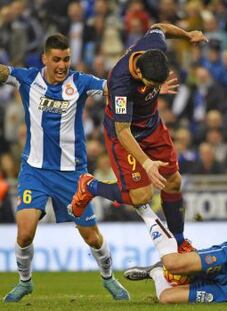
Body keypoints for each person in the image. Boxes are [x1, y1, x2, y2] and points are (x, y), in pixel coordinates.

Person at [1, 34, 129, 303]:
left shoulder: (80, 82)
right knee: (24, 233)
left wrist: (144, 87)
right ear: (45, 58)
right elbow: (3, 72)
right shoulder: (27, 79)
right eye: (56, 59)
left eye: (67, 59)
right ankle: (25, 282)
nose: (62, 65)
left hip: (72, 174)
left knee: (92, 238)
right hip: (34, 170)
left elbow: (112, 88)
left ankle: (108, 278)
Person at [68, 23, 208, 252]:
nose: (155, 88)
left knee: (174, 181)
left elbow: (160, 26)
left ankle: (180, 242)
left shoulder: (154, 45)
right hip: (125, 134)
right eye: (152, 85)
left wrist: (187, 35)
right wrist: (146, 163)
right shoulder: (120, 85)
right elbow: (123, 130)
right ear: (139, 73)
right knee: (141, 195)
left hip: (152, 125)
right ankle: (90, 186)